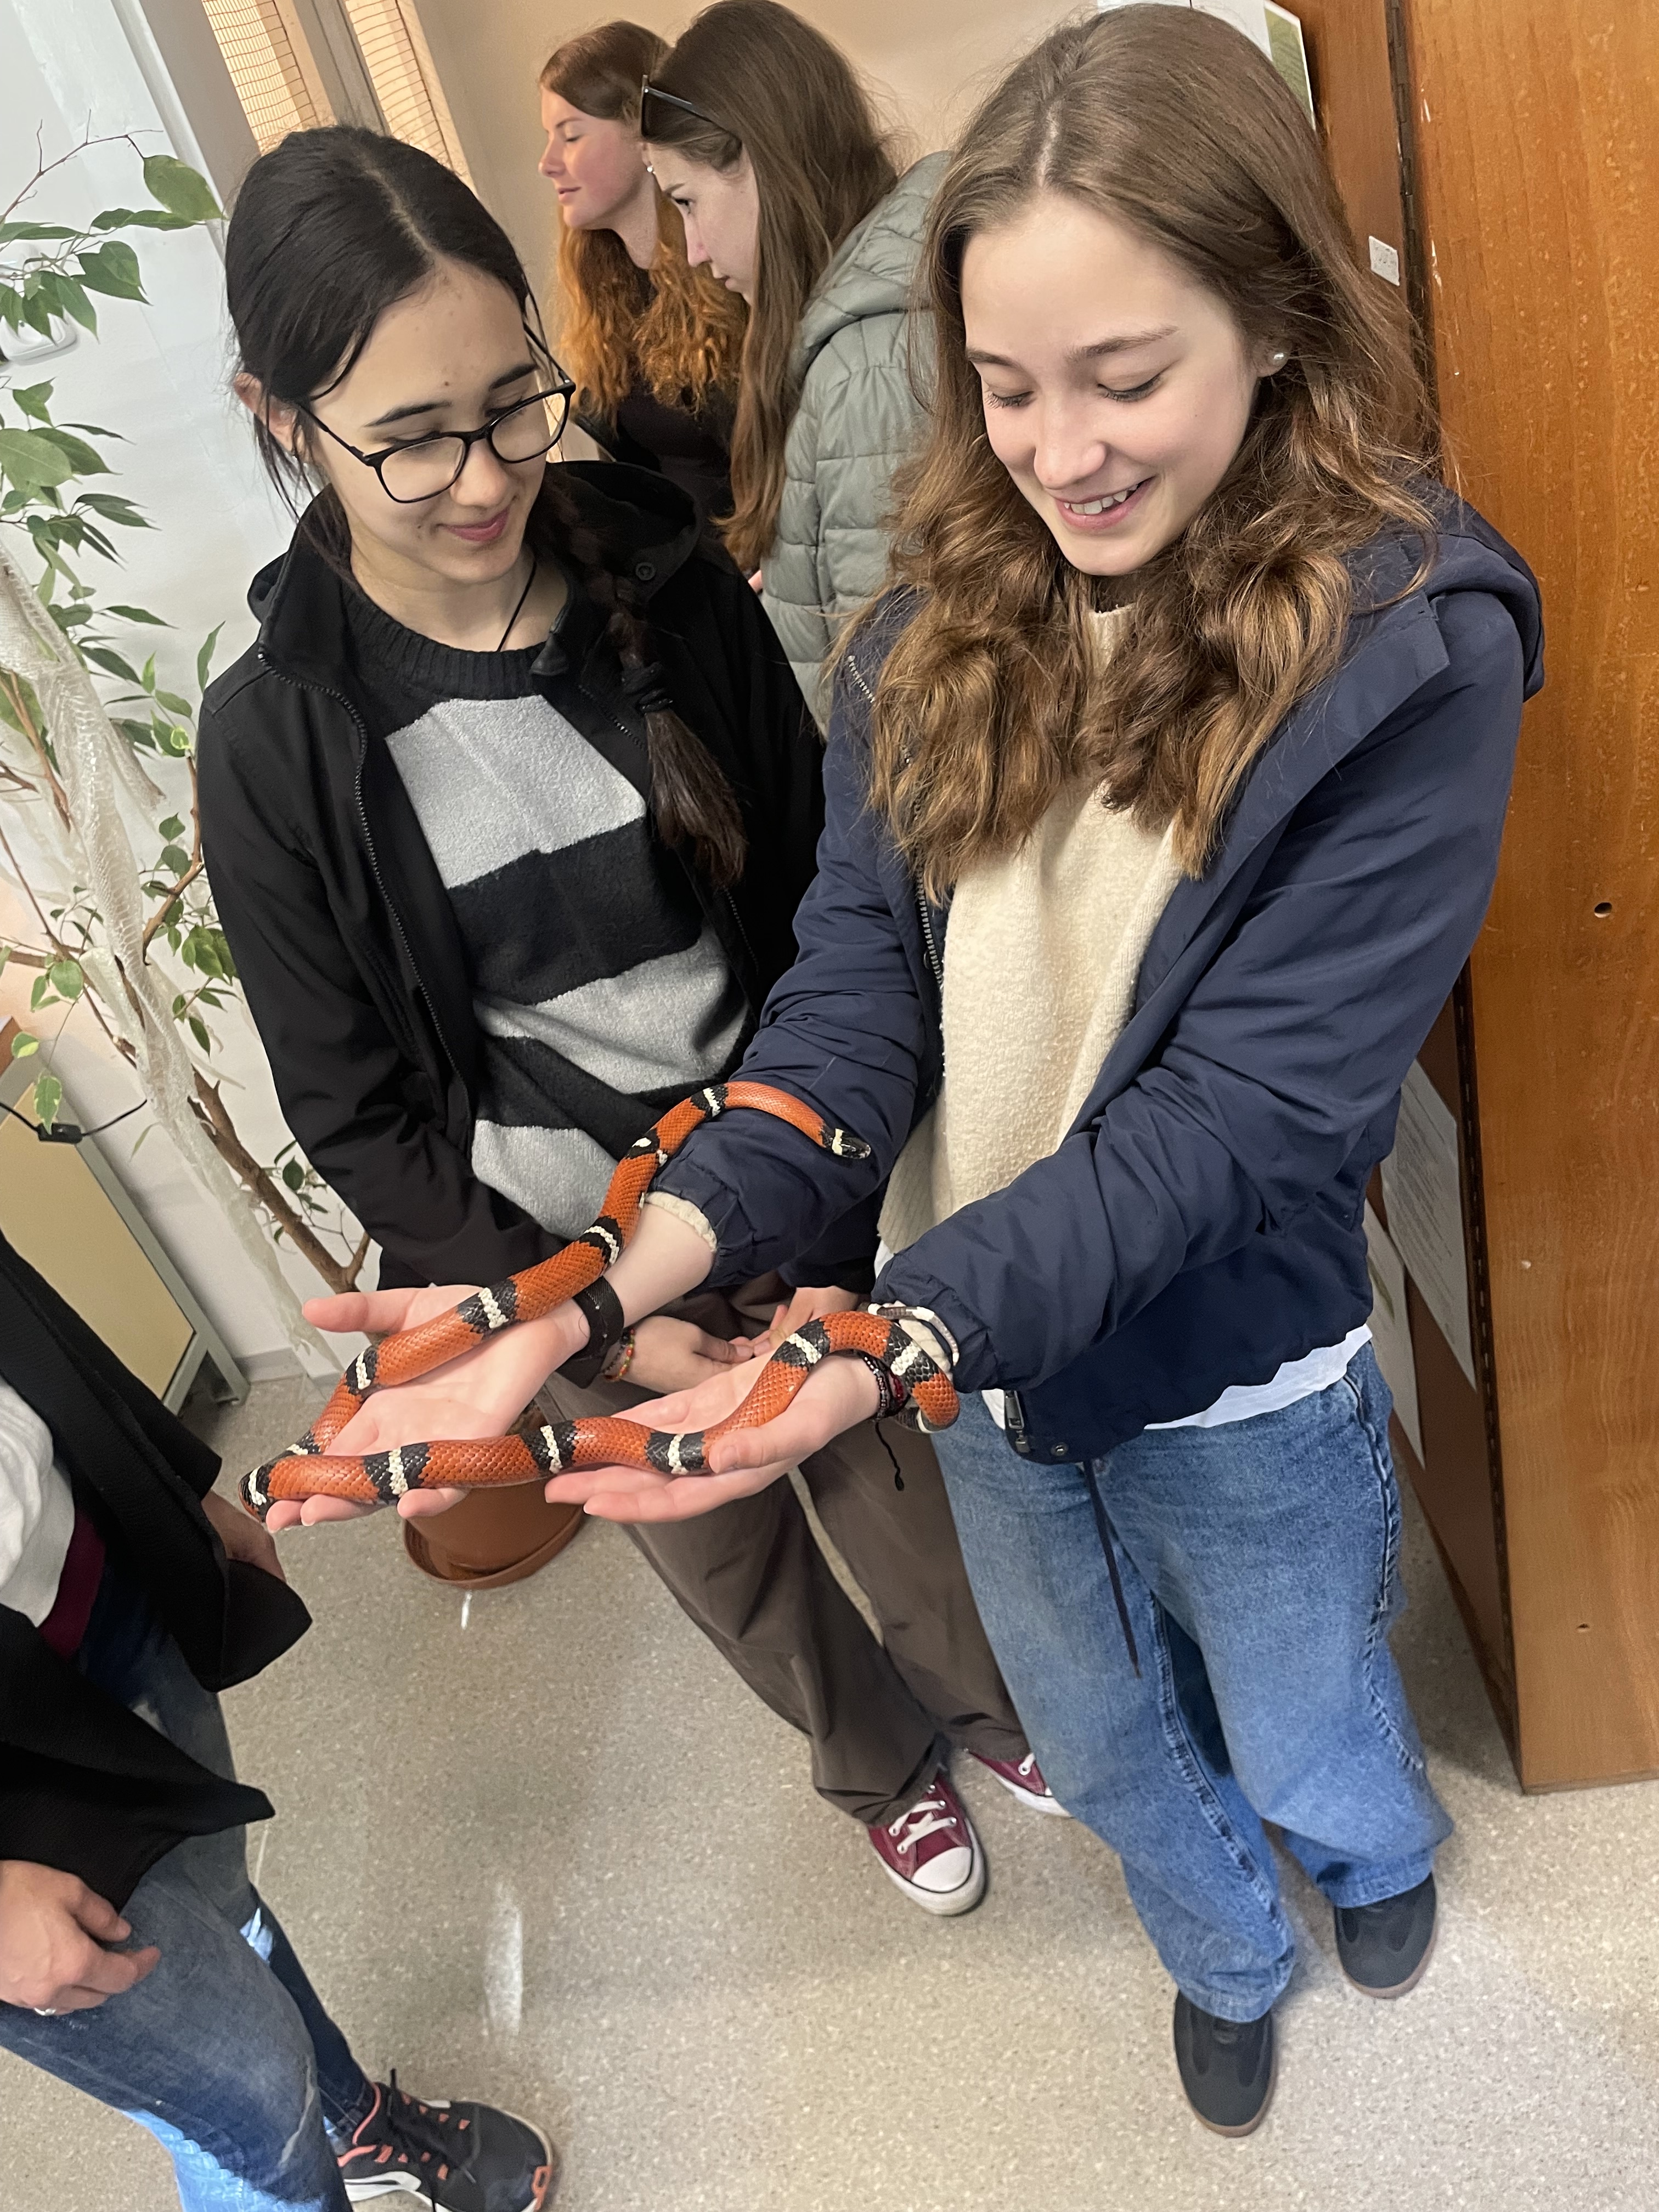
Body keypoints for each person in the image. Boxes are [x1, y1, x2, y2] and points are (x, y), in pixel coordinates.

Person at [308, 7, 1543, 2134]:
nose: (1061, 453)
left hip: (1222, 1364)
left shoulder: (1410, 647)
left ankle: (1368, 1857)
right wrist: (598, 1288)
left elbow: (1242, 1121)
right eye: (1008, 386)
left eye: (1125, 378)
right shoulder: (933, 627)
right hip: (969, 1369)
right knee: (1102, 1724)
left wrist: (884, 1343)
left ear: (1273, 323)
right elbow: (851, 1011)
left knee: (1306, 1703)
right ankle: (1225, 1950)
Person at [198, 126, 1053, 1915]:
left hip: (790, 1169)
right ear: (278, 417)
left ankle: (992, 1710)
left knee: (901, 1485)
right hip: (541, 1247)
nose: (482, 477)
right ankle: (877, 1766)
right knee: (724, 1544)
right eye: (411, 436)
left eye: (513, 403)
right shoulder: (278, 740)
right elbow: (357, 1111)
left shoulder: (656, 567)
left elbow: (832, 899)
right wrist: (591, 1326)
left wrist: (833, 1195)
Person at [0, 1229, 555, 2210]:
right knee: (249, 2107)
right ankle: (313, 2128)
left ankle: (353, 2124)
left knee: (224, 1897)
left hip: (96, 1574)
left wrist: (174, 1479)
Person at [639, 0, 942, 714]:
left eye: (687, 202)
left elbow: (896, 704)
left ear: (755, 162)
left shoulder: (866, 371)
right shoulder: (856, 330)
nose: (693, 250)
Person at [538, 20, 746, 529]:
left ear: (643, 136)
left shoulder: (730, 275)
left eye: (571, 136)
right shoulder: (604, 286)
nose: (547, 163)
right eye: (548, 138)